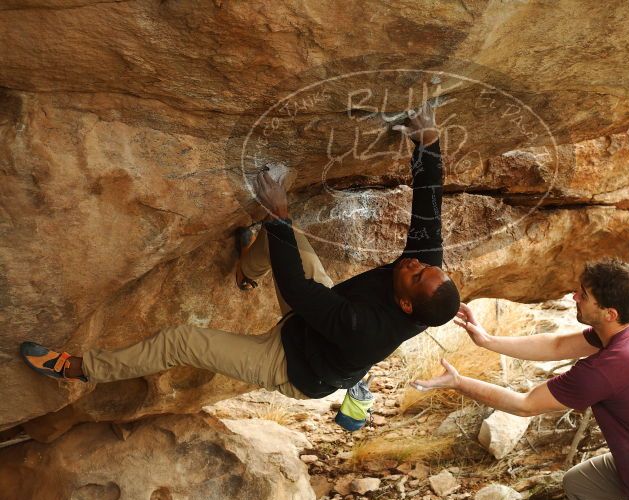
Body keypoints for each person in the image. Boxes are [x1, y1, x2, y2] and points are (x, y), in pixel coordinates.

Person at [21, 102, 461, 400]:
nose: (416, 263)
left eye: (417, 274)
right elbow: (429, 211)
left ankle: (79, 369)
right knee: (286, 241)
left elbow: (299, 290)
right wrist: (429, 144)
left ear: (406, 303)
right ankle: (247, 272)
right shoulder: (425, 282)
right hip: (319, 320)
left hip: (293, 365)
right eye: (425, 267)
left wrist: (279, 212)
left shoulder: (366, 327)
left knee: (181, 341)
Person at [413, 258, 629, 500]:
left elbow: (526, 405)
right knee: (580, 485)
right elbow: (556, 346)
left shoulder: (607, 369)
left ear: (610, 313)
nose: (574, 296)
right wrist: (487, 340)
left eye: (583, 295)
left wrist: (459, 382)